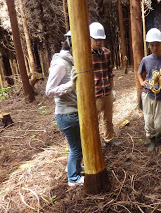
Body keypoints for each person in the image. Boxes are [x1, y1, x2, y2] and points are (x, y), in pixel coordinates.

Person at [45, 31, 84, 186]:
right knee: (76, 149)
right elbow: (49, 90)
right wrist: (70, 85)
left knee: (78, 147)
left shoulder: (69, 61)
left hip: (72, 113)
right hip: (66, 114)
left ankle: (74, 169)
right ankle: (73, 178)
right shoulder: (60, 63)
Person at [138, 28, 161, 152]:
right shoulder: (146, 60)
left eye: (157, 45)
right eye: (152, 45)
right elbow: (139, 73)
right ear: (149, 45)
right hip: (147, 93)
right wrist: (142, 82)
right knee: (148, 120)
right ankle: (152, 140)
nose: (154, 47)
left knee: (159, 124)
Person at [89, 22, 121, 146]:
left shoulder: (106, 52)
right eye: (96, 40)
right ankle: (95, 143)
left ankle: (109, 139)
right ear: (90, 38)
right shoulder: (85, 55)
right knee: (94, 120)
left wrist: (112, 89)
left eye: (101, 40)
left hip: (107, 91)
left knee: (108, 118)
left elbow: (110, 72)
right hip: (95, 94)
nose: (98, 42)